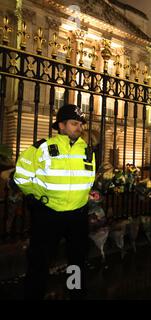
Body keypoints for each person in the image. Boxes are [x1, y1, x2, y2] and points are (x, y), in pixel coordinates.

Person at [13, 104, 96, 300]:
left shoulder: (88, 151)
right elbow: (21, 176)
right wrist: (35, 199)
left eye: (81, 124)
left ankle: (75, 294)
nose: (79, 127)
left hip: (77, 215)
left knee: (76, 262)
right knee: (40, 262)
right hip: (48, 214)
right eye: (74, 123)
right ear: (61, 125)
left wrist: (86, 197)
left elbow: (89, 179)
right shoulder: (41, 148)